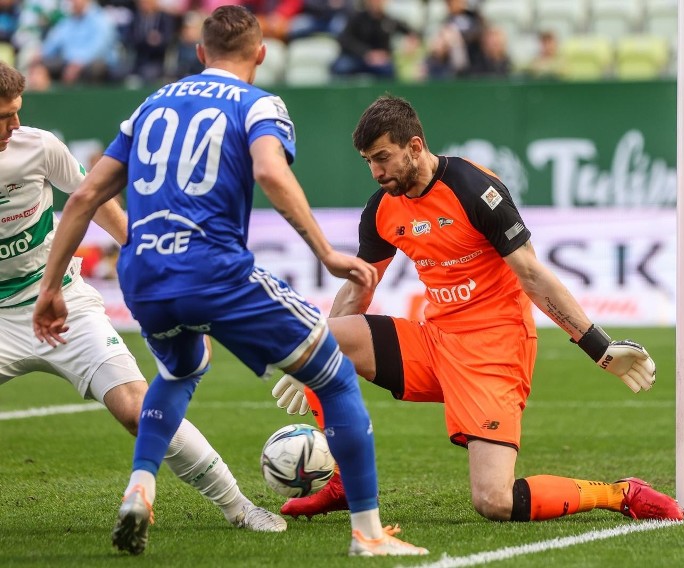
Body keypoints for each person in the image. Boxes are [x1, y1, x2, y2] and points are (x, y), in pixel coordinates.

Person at [32, 7, 426, 558]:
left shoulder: (151, 104)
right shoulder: (258, 103)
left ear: (199, 53)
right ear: (260, 54)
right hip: (214, 270)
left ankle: (141, 487)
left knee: (181, 369)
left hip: (143, 274)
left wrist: (51, 287)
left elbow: (82, 198)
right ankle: (369, 534)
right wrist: (325, 252)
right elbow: (269, 170)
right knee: (335, 378)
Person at [272, 94, 684, 524]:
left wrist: (598, 346)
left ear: (415, 147)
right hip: (435, 343)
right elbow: (358, 289)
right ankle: (343, 482)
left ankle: (619, 493)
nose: (376, 172)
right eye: (368, 162)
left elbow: (532, 275)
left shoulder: (475, 190)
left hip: (495, 351)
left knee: (494, 501)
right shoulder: (381, 208)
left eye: (382, 158)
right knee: (322, 337)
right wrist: (309, 355)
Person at [0, 60, 287, 541]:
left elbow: (89, 197)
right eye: (3, 117)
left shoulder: (38, 146)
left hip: (62, 304)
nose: (14, 126)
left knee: (137, 408)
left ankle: (238, 506)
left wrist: (139, 248)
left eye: (17, 113)